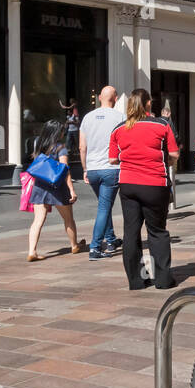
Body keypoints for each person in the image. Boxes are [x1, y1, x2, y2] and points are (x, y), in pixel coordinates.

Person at [109, 88, 179, 290]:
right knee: (157, 231)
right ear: (148, 104)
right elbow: (174, 154)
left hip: (128, 184)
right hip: (155, 184)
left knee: (131, 232)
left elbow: (113, 159)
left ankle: (137, 280)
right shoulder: (162, 125)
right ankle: (163, 279)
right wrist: (163, 159)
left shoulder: (119, 129)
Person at [26, 120, 82, 261]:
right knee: (68, 219)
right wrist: (72, 190)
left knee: (37, 221)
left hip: (39, 186)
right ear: (58, 133)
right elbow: (65, 170)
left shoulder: (38, 145)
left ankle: (32, 251)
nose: (64, 132)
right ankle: (74, 245)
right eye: (62, 130)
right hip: (57, 187)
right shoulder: (60, 148)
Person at [80, 86, 124, 260]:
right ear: (116, 98)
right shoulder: (120, 117)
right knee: (104, 207)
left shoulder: (87, 117)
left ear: (99, 97)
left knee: (104, 205)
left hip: (92, 168)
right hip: (111, 168)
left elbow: (82, 147)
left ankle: (111, 239)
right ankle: (96, 247)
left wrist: (85, 169)